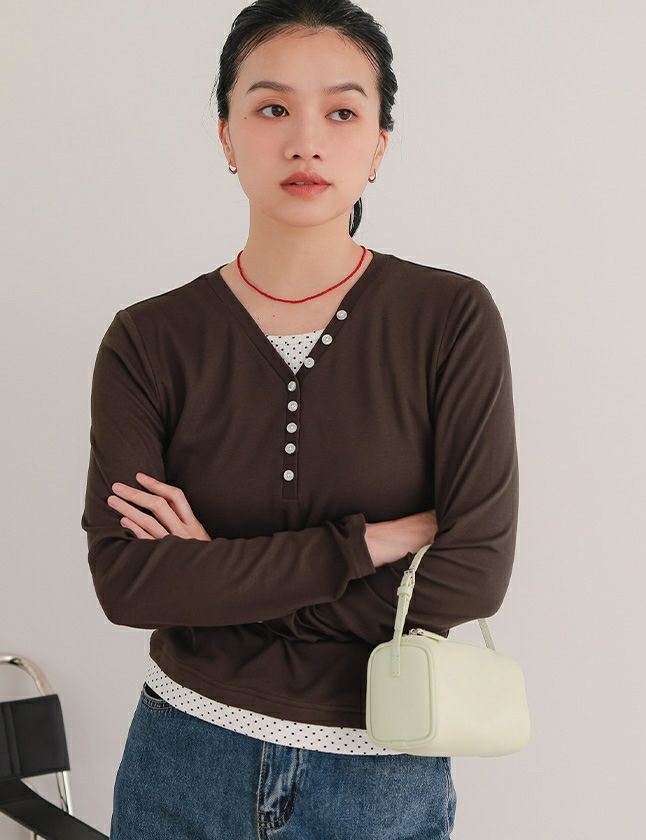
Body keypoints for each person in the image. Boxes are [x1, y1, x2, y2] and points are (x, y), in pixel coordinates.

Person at [83, 2, 519, 837]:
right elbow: (130, 582)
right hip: (183, 755)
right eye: (273, 107)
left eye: (343, 112)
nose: (306, 141)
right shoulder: (148, 339)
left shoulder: (450, 318)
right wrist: (363, 547)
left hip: (379, 776)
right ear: (226, 136)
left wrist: (215, 578)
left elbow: (473, 574)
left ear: (379, 144)